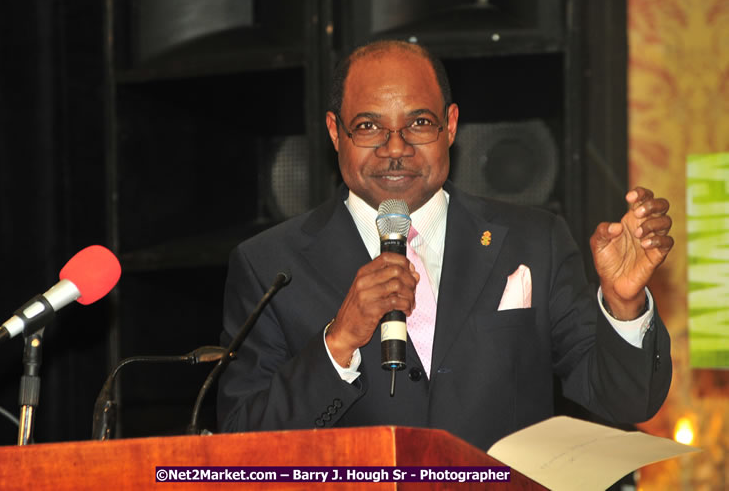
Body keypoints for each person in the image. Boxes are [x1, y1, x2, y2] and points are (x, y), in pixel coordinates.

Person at [216, 40, 673, 451]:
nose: (396, 148)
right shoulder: (269, 265)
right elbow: (241, 447)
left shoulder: (535, 240)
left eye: (418, 123)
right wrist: (339, 343)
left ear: (450, 126)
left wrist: (624, 304)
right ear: (336, 133)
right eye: (369, 126)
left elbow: (626, 401)